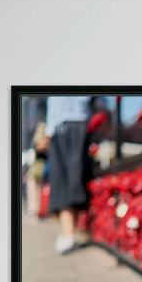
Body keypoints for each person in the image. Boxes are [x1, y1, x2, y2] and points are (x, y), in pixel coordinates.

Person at [44, 96, 94, 253]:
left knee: (69, 180)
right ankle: (69, 232)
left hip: (72, 121)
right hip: (63, 124)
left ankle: (69, 233)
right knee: (66, 180)